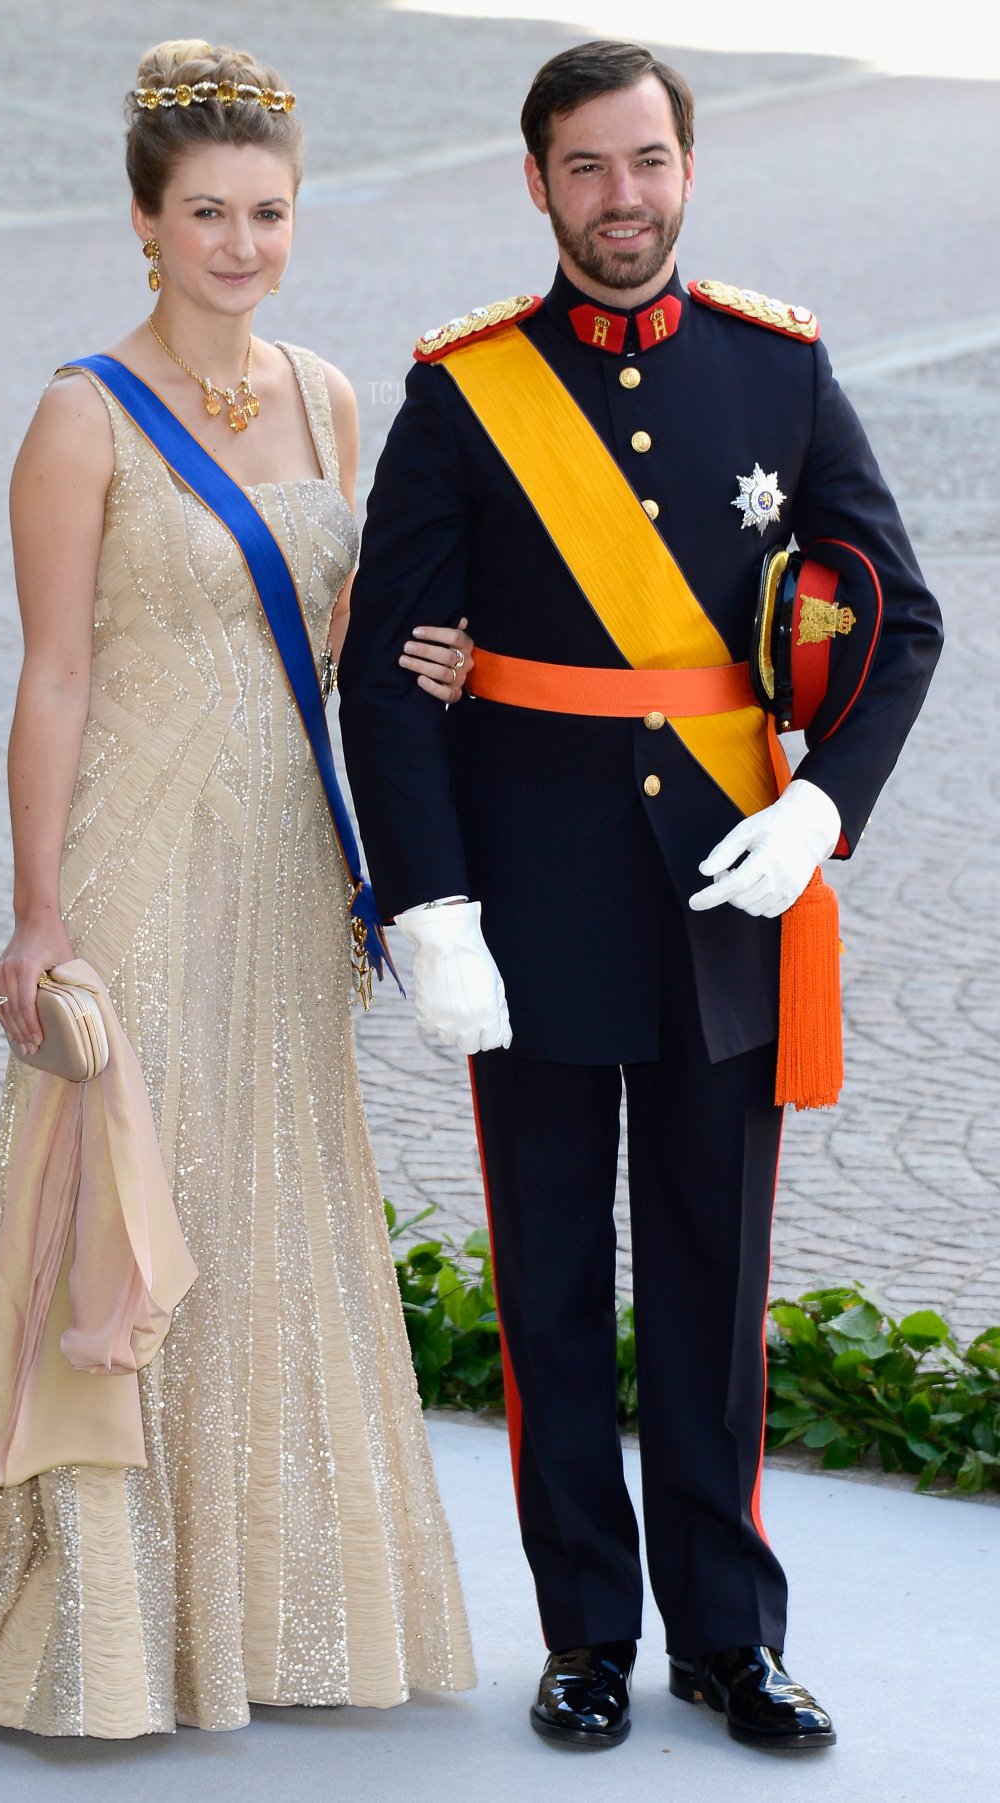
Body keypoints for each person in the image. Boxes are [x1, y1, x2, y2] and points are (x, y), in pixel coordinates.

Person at [0, 39, 477, 1742]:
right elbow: (50, 682)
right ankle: (90, 1620)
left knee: (269, 1208)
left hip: (287, 869)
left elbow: (326, 647)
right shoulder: (78, 414)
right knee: (128, 1203)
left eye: (268, 214)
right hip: (140, 860)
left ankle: (245, 1614)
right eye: (208, 215)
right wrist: (39, 915)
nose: (241, 244)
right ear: (145, 225)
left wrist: (424, 664)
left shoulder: (328, 398)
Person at [338, 38, 942, 1754]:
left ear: (691, 169)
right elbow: (389, 671)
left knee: (711, 1272)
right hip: (529, 904)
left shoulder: (781, 370)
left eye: (649, 163)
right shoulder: (465, 394)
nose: (624, 200)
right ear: (536, 183)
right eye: (588, 169)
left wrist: (825, 806)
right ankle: (586, 1634)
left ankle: (727, 1643)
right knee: (546, 1288)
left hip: (725, 902)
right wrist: (429, 904)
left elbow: (899, 616)